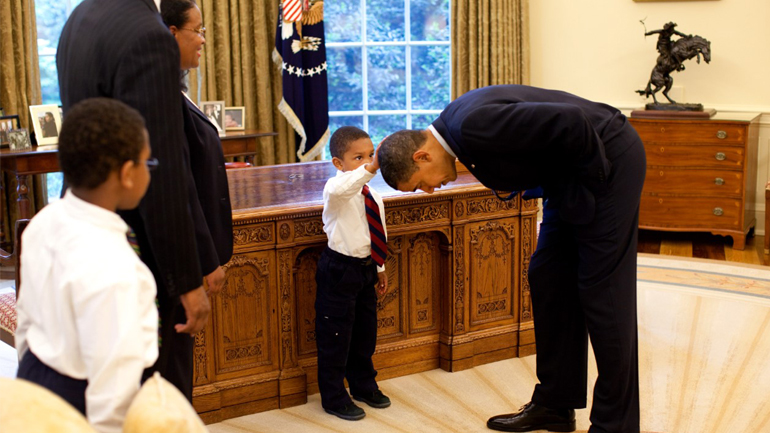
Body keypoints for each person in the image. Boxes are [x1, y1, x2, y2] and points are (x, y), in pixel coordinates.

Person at [377, 84, 646, 433]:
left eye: (418, 185)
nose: (428, 190)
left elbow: (573, 121)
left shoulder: (472, 125)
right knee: (549, 276)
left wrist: (595, 185)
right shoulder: (456, 129)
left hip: (607, 161)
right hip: (571, 174)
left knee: (604, 292)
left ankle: (615, 426)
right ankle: (555, 404)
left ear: (421, 157)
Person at [57, 0, 213, 401]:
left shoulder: (80, 17)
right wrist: (186, 279)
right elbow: (162, 168)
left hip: (85, 230)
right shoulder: (148, 35)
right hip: (140, 248)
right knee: (158, 392)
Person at [16, 98, 158, 433]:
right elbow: (114, 389)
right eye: (147, 162)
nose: (149, 170)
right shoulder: (116, 267)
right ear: (127, 174)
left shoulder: (44, 221)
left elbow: (26, 320)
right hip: (81, 401)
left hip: (34, 376)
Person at [316, 126, 391, 421]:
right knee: (335, 336)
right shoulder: (335, 191)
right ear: (338, 163)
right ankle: (334, 396)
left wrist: (380, 267)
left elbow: (377, 231)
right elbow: (342, 188)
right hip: (339, 270)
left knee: (364, 333)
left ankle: (363, 385)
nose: (367, 162)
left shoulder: (372, 195)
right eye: (358, 157)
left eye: (370, 155)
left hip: (366, 268)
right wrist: (371, 168)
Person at [161, 0, 232, 303]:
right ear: (172, 32)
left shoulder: (176, 89)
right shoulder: (163, 96)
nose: (203, 40)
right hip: (188, 256)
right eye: (198, 30)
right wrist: (206, 257)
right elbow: (181, 185)